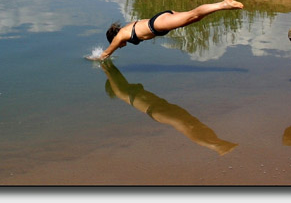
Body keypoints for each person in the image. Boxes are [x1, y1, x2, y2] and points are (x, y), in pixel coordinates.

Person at [100, 60, 237, 155]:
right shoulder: (120, 92)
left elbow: (114, 72)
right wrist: (103, 60)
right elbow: (109, 71)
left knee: (193, 122)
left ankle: (217, 142)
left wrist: (108, 54)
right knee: (187, 126)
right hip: (155, 111)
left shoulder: (125, 88)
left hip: (161, 106)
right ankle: (215, 146)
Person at [95, 0, 244, 60]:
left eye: (116, 44)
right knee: (195, 18)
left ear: (113, 38)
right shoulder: (126, 29)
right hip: (160, 21)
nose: (120, 46)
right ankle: (223, 6)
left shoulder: (120, 36)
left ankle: (223, 4)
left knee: (193, 14)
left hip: (157, 24)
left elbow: (105, 54)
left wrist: (92, 58)